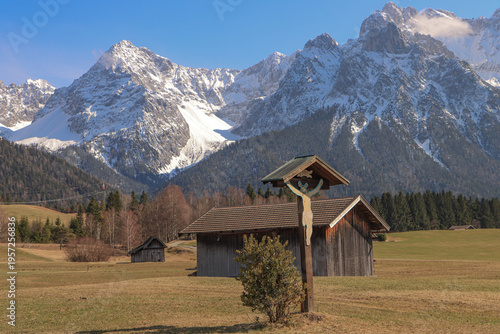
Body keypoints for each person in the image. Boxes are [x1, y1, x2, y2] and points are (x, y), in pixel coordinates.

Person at [285, 179, 323, 246]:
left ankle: (308, 239)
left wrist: (320, 184)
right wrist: (289, 184)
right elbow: (295, 190)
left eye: (303, 189)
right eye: (301, 189)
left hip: (309, 213)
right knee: (304, 226)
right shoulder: (302, 195)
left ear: (306, 188)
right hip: (304, 213)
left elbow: (316, 190)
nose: (302, 190)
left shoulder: (309, 194)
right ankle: (306, 239)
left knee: (309, 227)